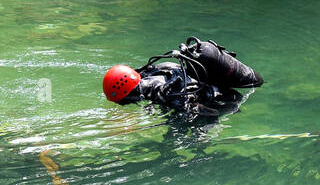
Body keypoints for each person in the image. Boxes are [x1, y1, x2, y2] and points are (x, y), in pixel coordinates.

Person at [102, 37, 263, 122]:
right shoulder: (151, 71)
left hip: (224, 98)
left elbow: (205, 113)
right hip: (201, 84)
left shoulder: (164, 93)